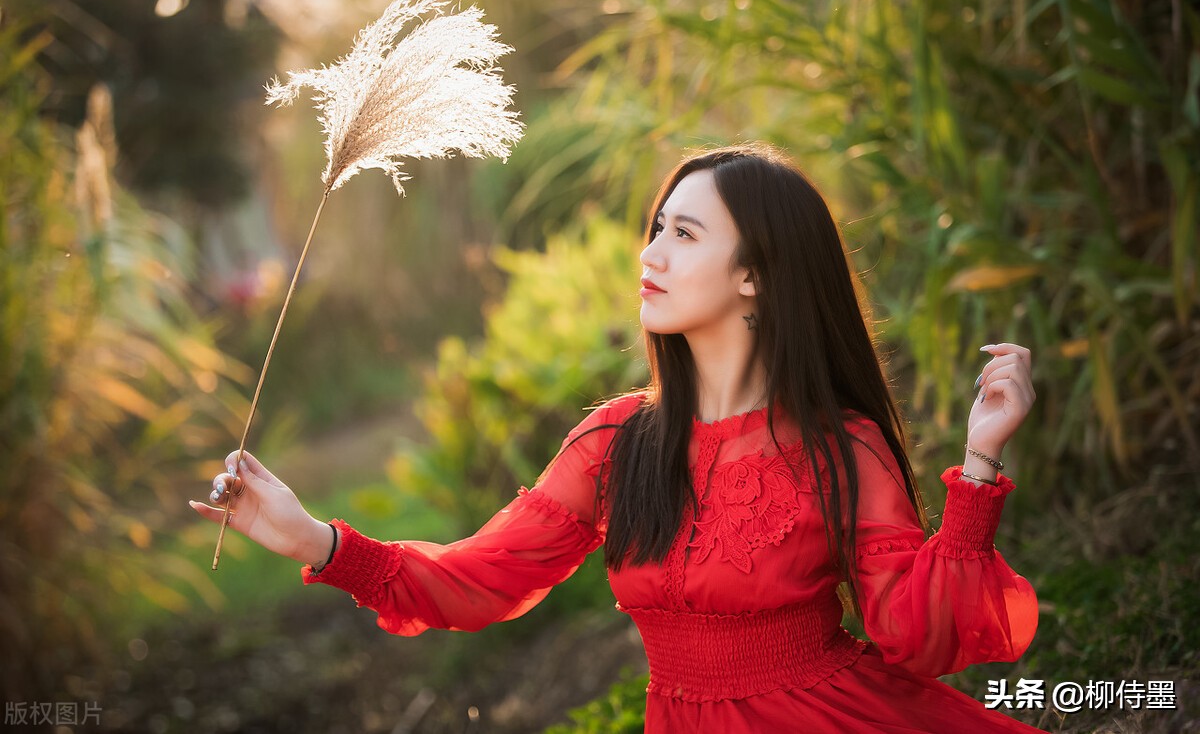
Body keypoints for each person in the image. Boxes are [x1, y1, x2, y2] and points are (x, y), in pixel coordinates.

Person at [191, 144, 1044, 733]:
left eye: (685, 233)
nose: (653, 252)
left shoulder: (837, 447)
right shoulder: (617, 441)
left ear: (755, 275)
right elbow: (482, 578)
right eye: (655, 227)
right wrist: (316, 539)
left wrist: (978, 465)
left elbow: (913, 635)